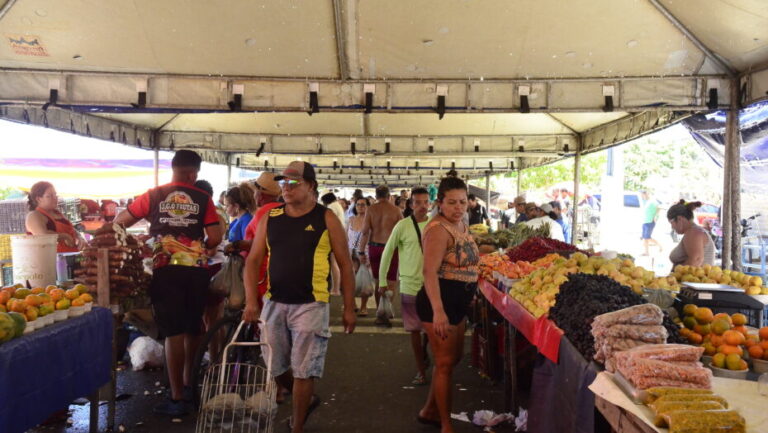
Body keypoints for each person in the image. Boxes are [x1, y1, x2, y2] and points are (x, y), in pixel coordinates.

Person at [242, 161, 356, 433]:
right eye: (284, 182)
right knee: (275, 366)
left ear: (311, 186)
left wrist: (349, 307)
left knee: (304, 369)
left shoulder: (326, 218)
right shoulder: (271, 217)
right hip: (274, 302)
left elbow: (345, 264)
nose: (286, 187)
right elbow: (253, 260)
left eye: (294, 182)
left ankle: (298, 425)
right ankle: (304, 398)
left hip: (311, 304)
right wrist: (251, 300)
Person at [114, 150, 222, 416]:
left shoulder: (153, 195)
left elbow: (120, 223)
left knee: (173, 332)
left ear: (173, 169)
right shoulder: (203, 197)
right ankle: (188, 386)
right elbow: (216, 236)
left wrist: (137, 243)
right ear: (193, 173)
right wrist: (201, 247)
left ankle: (176, 400)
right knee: (192, 328)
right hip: (197, 270)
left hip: (166, 268)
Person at [416, 176, 479, 433]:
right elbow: (429, 272)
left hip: (458, 300)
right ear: (439, 203)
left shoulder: (462, 224)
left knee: (453, 359)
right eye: (452, 202)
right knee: (444, 364)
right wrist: (439, 311)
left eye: (463, 202)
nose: (458, 207)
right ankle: (445, 424)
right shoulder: (437, 229)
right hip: (439, 300)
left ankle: (430, 410)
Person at [379, 187, 432, 385]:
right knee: (415, 331)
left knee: (429, 328)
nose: (422, 206)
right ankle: (421, 370)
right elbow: (388, 252)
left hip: (432, 285)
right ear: (410, 205)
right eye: (418, 202)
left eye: (426, 202)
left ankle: (424, 353)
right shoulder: (402, 226)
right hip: (410, 285)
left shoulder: (435, 225)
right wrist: (383, 281)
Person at [359, 184, 403, 326]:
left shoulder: (371, 209)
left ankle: (380, 312)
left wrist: (361, 251)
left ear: (376, 196)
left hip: (375, 247)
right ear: (389, 195)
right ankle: (387, 310)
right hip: (391, 248)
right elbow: (403, 231)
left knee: (379, 280)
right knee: (391, 281)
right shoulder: (396, 210)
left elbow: (365, 232)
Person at [25, 181, 86, 252]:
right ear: (39, 199)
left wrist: (79, 237)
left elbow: (72, 229)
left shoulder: (58, 213)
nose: (55, 198)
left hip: (69, 255)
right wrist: (65, 236)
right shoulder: (34, 216)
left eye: (55, 195)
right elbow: (42, 236)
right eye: (50, 196)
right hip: (48, 259)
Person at [668, 200, 716, 267]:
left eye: (671, 223)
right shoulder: (692, 232)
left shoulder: (693, 232)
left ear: (679, 219)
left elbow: (696, 260)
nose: (672, 227)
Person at [347, 197, 372, 316]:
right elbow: (346, 238)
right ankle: (353, 304)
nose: (360, 207)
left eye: (363, 204)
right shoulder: (350, 219)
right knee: (351, 279)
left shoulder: (370, 221)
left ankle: (363, 306)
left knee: (363, 281)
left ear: (368, 206)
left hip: (365, 253)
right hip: (351, 253)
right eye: (358, 204)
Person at [321, 192, 345, 295]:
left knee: (334, 263)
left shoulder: (331, 207)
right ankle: (337, 287)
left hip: (334, 237)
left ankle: (335, 289)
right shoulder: (338, 205)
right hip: (340, 236)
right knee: (337, 264)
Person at [640, 190, 662, 256]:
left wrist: (656, 217)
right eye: (641, 194)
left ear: (646, 194)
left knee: (647, 237)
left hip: (650, 221)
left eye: (643, 194)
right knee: (645, 238)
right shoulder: (645, 201)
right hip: (645, 221)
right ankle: (646, 252)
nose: (642, 196)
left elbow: (659, 208)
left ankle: (660, 246)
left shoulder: (652, 201)